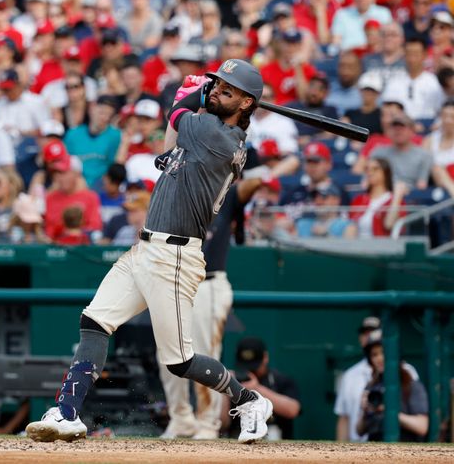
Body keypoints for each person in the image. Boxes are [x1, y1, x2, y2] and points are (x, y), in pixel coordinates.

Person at [25, 59, 274, 444]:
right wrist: (198, 96)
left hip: (175, 257)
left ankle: (248, 399)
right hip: (145, 247)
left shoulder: (217, 136)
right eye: (218, 85)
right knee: (95, 321)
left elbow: (176, 114)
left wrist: (192, 94)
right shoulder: (209, 131)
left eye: (228, 90)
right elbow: (168, 146)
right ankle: (67, 413)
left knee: (180, 362)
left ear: (246, 104)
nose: (218, 91)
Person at [157, 177, 272, 440]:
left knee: (204, 352)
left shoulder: (223, 193)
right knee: (165, 352)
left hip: (208, 282)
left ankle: (208, 422)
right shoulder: (177, 192)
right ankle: (181, 419)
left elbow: (251, 185)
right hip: (174, 280)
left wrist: (238, 168)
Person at [222, 337, 301, 441]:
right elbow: (222, 423)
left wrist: (257, 388)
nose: (250, 371)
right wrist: (225, 388)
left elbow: (293, 410)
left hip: (277, 440)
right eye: (246, 367)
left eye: (255, 366)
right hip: (240, 440)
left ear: (265, 358)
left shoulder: (280, 380)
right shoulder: (234, 380)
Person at [356, 330, 429, 442]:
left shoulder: (411, 386)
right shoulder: (371, 387)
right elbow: (359, 431)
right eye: (374, 354)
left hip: (405, 453)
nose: (379, 358)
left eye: (383, 352)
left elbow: (422, 427)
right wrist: (365, 411)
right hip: (375, 452)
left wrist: (390, 412)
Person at [334, 316, 383, 442]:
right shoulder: (350, 375)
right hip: (357, 449)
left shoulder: (406, 372)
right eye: (364, 333)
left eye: (373, 332)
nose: (369, 336)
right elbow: (344, 417)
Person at [370, 112, 433, 190]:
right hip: (382, 194)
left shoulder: (424, 156)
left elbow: (421, 186)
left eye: (402, 127)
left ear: (412, 131)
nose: (398, 131)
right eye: (394, 127)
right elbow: (367, 181)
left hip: (409, 197)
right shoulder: (378, 153)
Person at [349, 158, 408, 238]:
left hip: (381, 246)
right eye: (367, 169)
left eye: (375, 169)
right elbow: (350, 224)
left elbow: (389, 224)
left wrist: (397, 196)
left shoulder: (395, 200)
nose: (370, 172)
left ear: (385, 172)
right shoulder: (359, 199)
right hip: (356, 246)